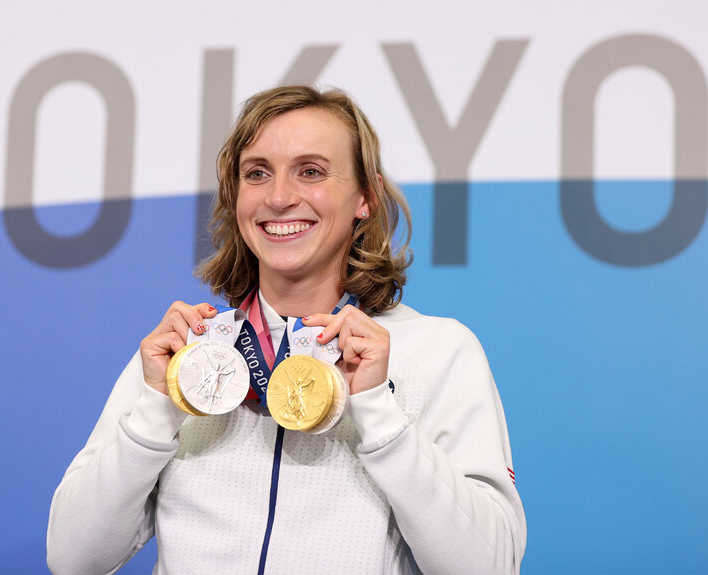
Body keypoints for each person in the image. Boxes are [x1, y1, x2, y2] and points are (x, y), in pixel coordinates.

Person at [46, 85, 526, 574]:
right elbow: (72, 559)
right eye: (257, 174)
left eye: (311, 171)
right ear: (237, 198)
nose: (278, 197)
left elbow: (490, 565)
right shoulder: (188, 357)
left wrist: (381, 414)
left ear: (366, 196)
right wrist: (156, 409)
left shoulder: (438, 351)